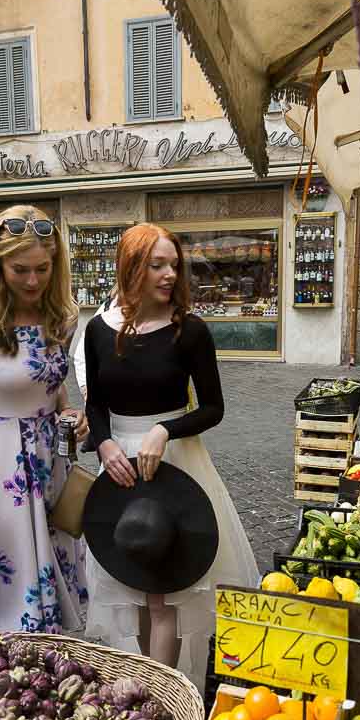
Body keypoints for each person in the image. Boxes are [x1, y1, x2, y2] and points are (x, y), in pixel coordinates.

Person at [84, 223, 258, 688]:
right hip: (118, 468)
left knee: (165, 591)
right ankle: (136, 686)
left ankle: (164, 696)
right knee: (128, 582)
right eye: (156, 264)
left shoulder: (190, 331)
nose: (168, 274)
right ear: (130, 267)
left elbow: (214, 408)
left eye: (173, 265)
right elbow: (95, 404)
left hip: (175, 465)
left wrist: (165, 429)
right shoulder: (99, 331)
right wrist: (102, 443)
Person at [0, 204, 89, 637]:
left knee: (58, 572)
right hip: (2, 468)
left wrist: (70, 412)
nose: (33, 280)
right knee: (9, 596)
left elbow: (52, 385)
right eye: (20, 270)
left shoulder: (62, 317)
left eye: (43, 269)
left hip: (53, 463)